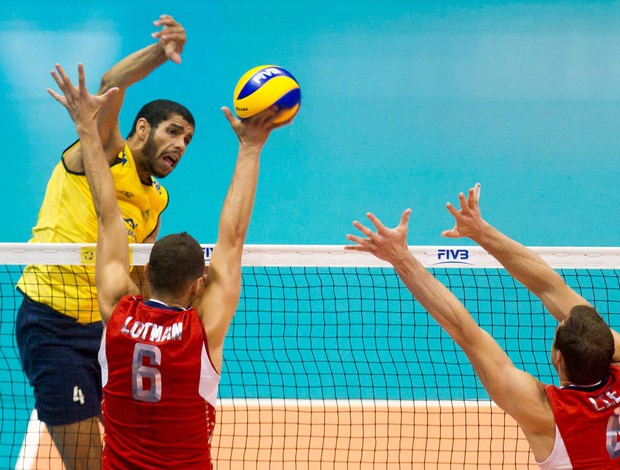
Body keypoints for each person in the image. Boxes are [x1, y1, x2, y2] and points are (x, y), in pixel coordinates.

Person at [47, 62, 289, 468]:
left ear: (144, 273)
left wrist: (87, 130)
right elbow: (232, 238)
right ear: (199, 285)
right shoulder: (201, 330)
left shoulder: (118, 313)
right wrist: (251, 147)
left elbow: (108, 212)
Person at [15, 15, 192, 468]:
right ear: (140, 129)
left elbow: (138, 273)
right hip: (53, 326)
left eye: (187, 140)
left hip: (105, 332)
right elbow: (112, 81)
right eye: (173, 131)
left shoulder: (156, 198)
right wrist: (161, 51)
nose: (180, 145)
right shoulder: (104, 153)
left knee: (128, 451)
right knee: (89, 464)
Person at [345, 183, 620, 468]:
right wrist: (480, 231)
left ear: (558, 357)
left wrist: (401, 258)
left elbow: (467, 333)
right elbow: (551, 288)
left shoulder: (545, 415)